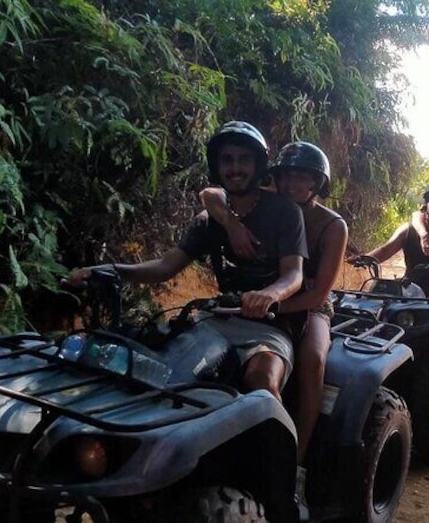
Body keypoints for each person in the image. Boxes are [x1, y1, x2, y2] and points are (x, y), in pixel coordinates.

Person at [67, 121, 307, 402]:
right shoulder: (209, 221)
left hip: (270, 326)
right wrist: (108, 270)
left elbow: (293, 275)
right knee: (159, 372)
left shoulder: (285, 212)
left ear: (258, 166)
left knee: (261, 383)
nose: (235, 168)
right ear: (217, 166)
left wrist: (268, 295)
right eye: (227, 160)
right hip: (217, 320)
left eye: (244, 160)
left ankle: (275, 445)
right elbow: (164, 267)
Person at [199, 141, 347, 476]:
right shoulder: (267, 203)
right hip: (258, 298)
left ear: (317, 183)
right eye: (286, 176)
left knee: (313, 360)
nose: (292, 184)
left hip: (309, 304)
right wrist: (232, 224)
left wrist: (269, 307)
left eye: (302, 178)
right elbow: (209, 194)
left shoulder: (331, 225)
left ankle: (297, 461)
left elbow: (319, 292)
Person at [352, 181, 429, 301]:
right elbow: (385, 250)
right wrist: (363, 259)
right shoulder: (408, 230)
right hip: (409, 288)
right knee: (376, 297)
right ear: (426, 202)